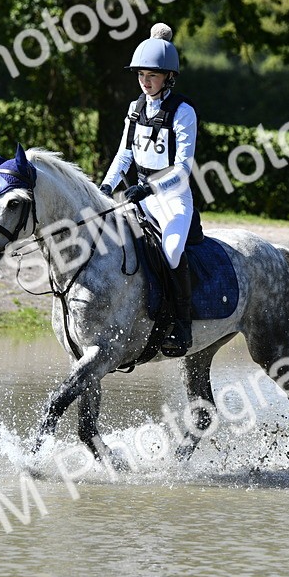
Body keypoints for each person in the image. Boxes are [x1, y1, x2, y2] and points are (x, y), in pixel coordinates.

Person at [100, 22, 198, 357]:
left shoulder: (183, 112)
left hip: (172, 198)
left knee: (171, 253)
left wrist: (149, 189)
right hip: (138, 196)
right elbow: (124, 154)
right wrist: (106, 187)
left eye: (152, 75)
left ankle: (182, 326)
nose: (145, 81)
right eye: (142, 75)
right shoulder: (135, 108)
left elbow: (183, 169)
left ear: (169, 77)